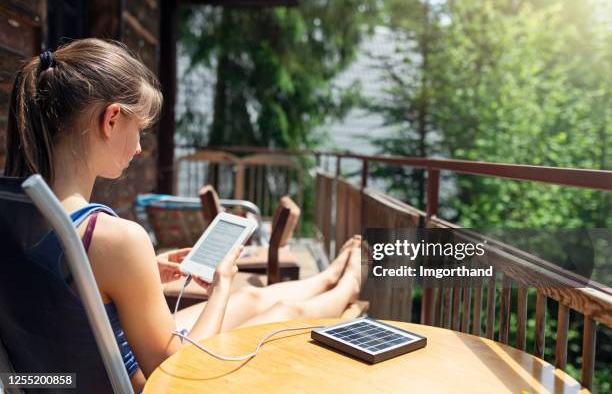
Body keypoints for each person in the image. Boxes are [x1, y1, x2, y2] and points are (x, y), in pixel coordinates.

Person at [3, 38, 361, 392]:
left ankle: (329, 275)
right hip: (144, 382)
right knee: (284, 314)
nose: (141, 146)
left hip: (62, 381)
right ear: (112, 119)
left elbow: (52, 294)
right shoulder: (112, 238)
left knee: (252, 299)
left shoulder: (17, 213)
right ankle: (349, 285)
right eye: (139, 129)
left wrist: (141, 274)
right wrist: (220, 285)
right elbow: (173, 370)